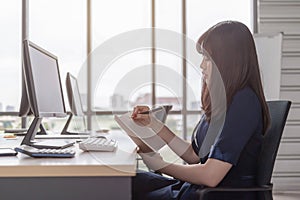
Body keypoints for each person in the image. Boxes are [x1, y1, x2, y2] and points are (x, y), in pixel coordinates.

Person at [131, 21, 270, 200]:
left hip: (214, 195)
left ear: (227, 61)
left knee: (123, 188)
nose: (202, 65)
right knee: (128, 179)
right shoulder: (225, 101)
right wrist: (153, 124)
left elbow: (210, 176)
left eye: (208, 58)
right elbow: (194, 156)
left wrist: (160, 166)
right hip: (198, 189)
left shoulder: (243, 103)